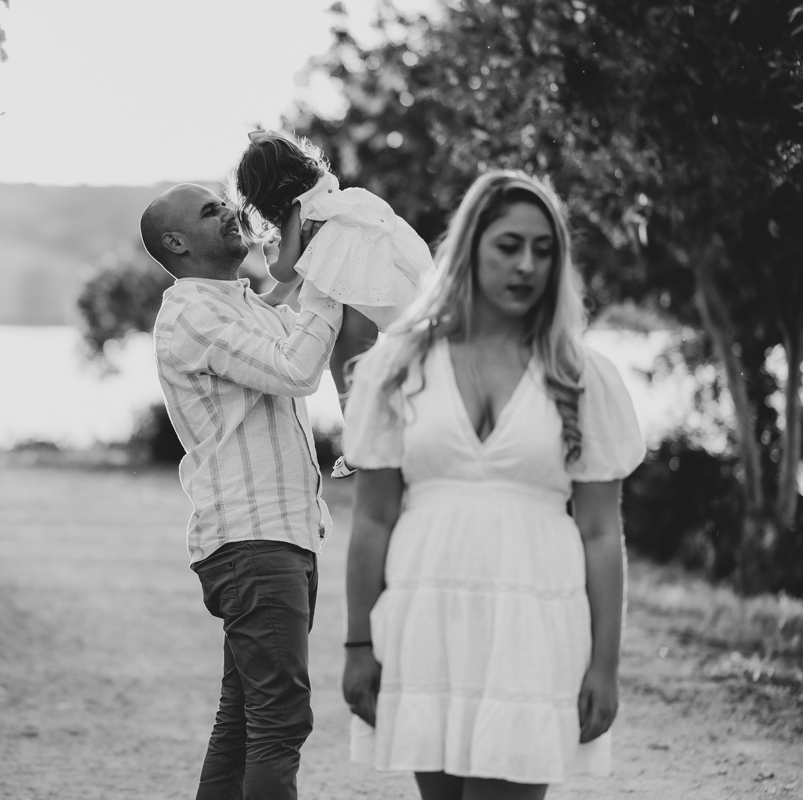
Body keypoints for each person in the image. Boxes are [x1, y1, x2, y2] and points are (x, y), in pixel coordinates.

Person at [339, 170, 645, 800]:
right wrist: (359, 644)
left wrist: (605, 665)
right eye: (509, 246)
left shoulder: (582, 375)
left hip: (534, 619)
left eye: (543, 250)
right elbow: (373, 519)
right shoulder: (397, 366)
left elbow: (599, 532)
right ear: (471, 249)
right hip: (427, 616)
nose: (527, 265)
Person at [140, 183, 344, 800]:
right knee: (280, 718)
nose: (230, 211)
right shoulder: (192, 315)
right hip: (255, 541)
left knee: (244, 720)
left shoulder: (240, 305)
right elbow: (296, 368)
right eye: (211, 211)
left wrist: (319, 241)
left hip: (278, 536)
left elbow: (289, 312)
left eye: (225, 202)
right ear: (176, 243)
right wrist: (335, 283)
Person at [229, 129, 436, 478]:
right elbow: (312, 259)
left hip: (355, 285)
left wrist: (270, 259)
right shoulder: (326, 191)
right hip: (380, 274)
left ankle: (359, 437)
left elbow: (287, 268)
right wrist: (275, 298)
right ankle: (394, 425)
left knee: (347, 361)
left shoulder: (296, 212)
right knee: (373, 360)